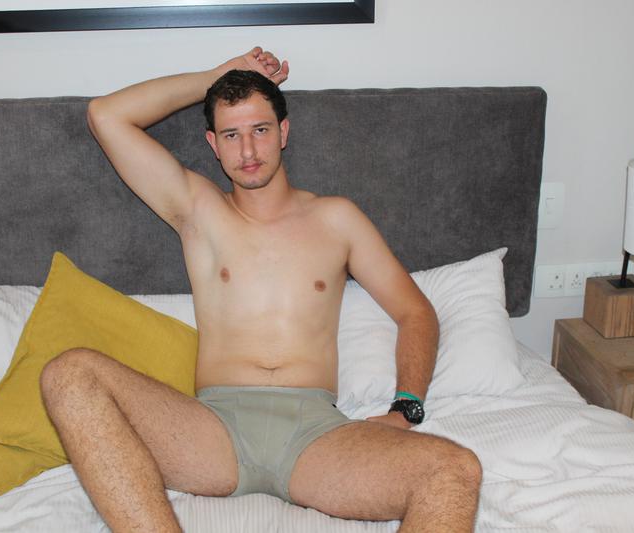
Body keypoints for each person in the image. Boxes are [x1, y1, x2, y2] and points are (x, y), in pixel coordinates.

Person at [39, 47, 482, 533]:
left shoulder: (337, 219)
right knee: (69, 374)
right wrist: (217, 76)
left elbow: (415, 312)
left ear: (284, 132)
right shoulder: (198, 210)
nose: (248, 152)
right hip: (212, 433)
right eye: (232, 135)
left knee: (454, 469)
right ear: (213, 144)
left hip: (316, 436)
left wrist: (405, 409)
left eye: (260, 130)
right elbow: (106, 115)